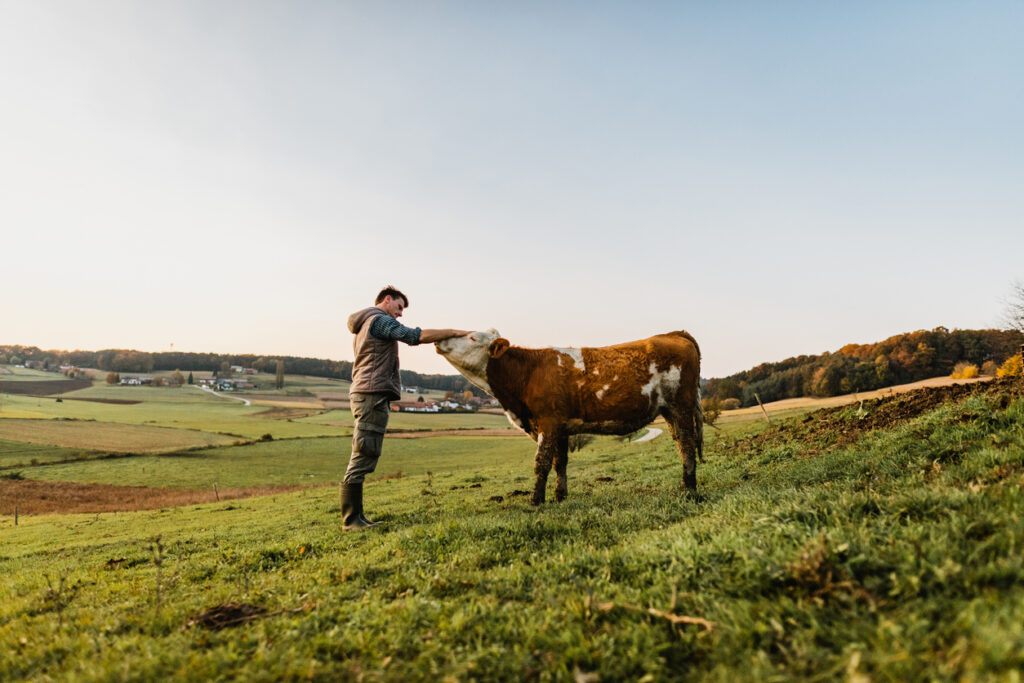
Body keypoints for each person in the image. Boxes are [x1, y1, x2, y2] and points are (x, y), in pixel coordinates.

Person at [343, 286, 469, 531]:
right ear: (387, 300)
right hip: (370, 395)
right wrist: (454, 332)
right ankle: (351, 520)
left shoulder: (367, 323)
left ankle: (356, 516)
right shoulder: (378, 320)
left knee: (367, 451)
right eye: (399, 307)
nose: (400, 314)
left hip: (368, 394)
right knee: (364, 452)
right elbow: (414, 336)